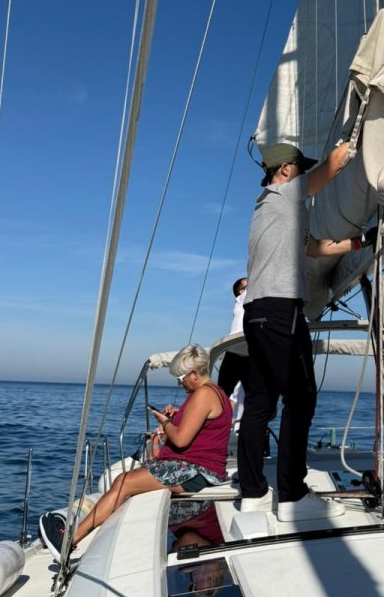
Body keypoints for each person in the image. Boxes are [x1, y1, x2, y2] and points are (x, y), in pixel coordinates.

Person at [238, 140, 350, 523]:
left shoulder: (269, 210)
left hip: (256, 314)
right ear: (285, 170)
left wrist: (361, 241)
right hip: (281, 310)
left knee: (259, 406)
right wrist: (354, 134)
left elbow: (315, 249)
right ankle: (292, 494)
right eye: (300, 167)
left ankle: (253, 493)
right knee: (300, 400)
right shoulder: (285, 195)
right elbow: (334, 165)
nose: (303, 173)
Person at [38, 344, 231, 559]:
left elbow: (181, 438)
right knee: (124, 482)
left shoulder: (203, 394)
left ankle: (69, 541)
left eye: (181, 376)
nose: (179, 382)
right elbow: (200, 428)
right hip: (199, 468)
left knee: (124, 482)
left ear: (195, 374)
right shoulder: (214, 392)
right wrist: (177, 415)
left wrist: (166, 421)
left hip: (197, 471)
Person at [217, 276, 248, 424]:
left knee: (222, 397)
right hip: (237, 354)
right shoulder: (243, 298)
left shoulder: (245, 301)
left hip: (243, 353)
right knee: (221, 397)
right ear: (241, 290)